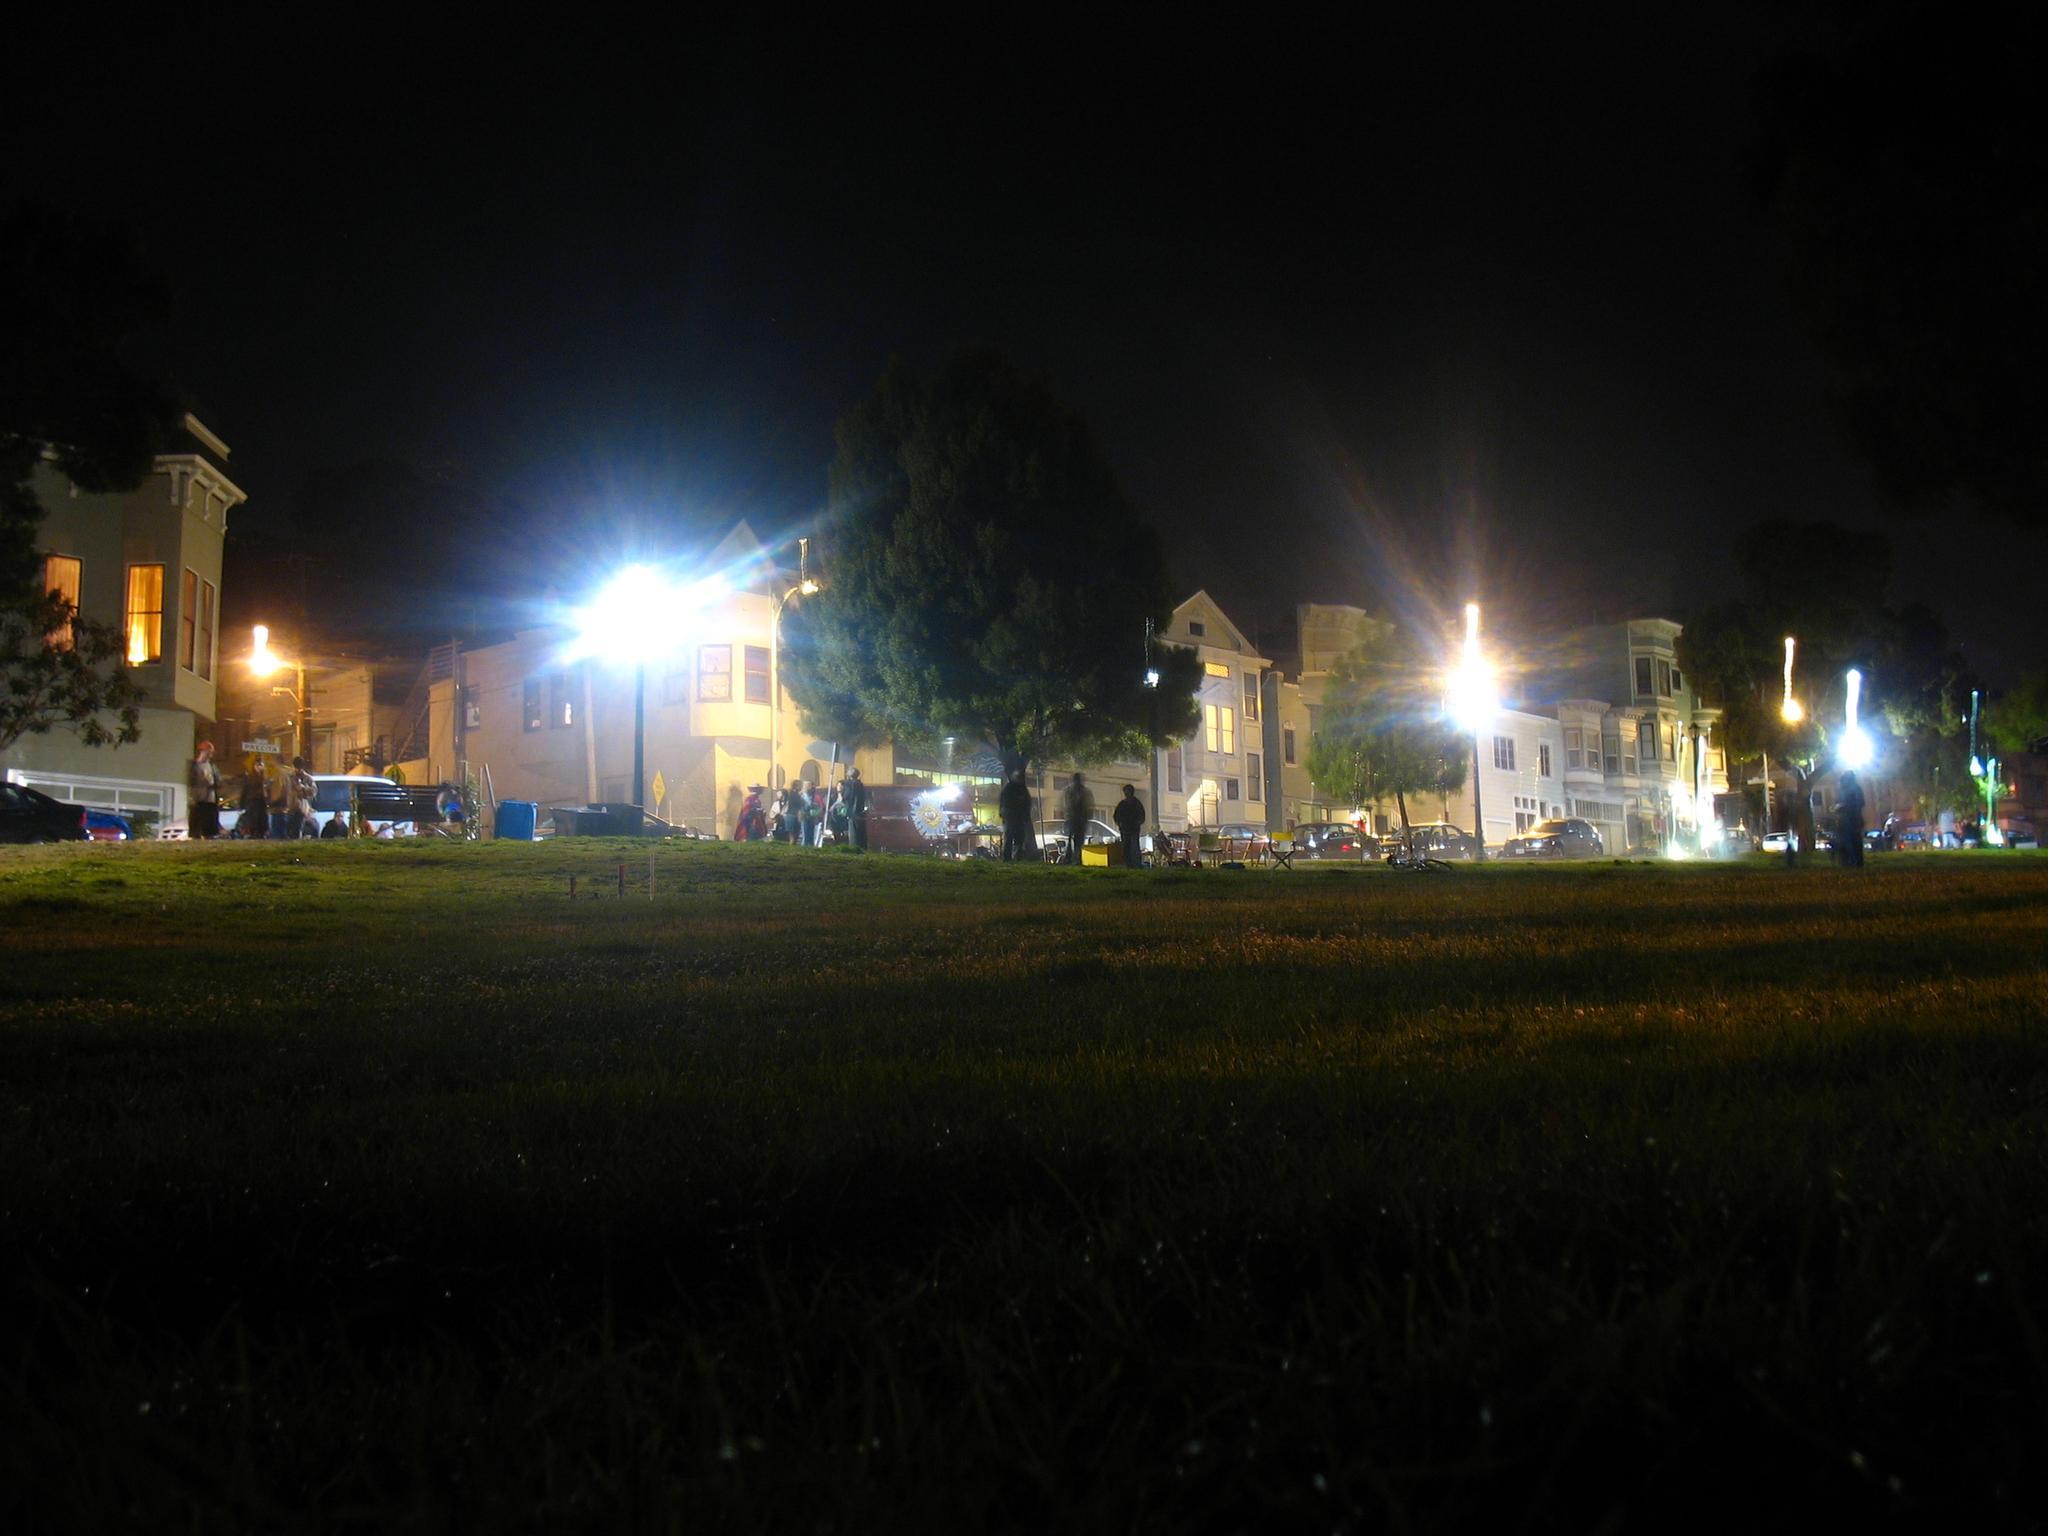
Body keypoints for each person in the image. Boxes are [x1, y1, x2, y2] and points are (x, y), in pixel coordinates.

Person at [998, 768, 1035, 863]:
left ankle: (1015, 858)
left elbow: (1027, 802)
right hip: (1012, 817)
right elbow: (1005, 803)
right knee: (1010, 838)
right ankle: (1009, 858)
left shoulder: (1019, 789)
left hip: (1017, 817)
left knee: (1018, 838)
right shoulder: (1010, 789)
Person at [188, 741, 222, 840]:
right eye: (209, 752)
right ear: (203, 751)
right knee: (197, 823)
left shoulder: (212, 766)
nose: (211, 755)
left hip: (210, 800)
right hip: (199, 799)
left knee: (210, 825)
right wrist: (193, 797)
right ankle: (197, 837)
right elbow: (191, 783)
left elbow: (218, 780)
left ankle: (209, 836)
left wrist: (216, 785)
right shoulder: (194, 766)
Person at [1060, 772, 1093, 865]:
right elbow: (1064, 805)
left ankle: (1077, 859)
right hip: (1072, 818)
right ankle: (1069, 858)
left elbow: (1089, 805)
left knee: (1078, 840)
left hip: (1080, 819)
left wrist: (1086, 817)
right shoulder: (1068, 791)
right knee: (1069, 839)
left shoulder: (1084, 792)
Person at [1834, 771, 1866, 868]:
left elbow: (1859, 803)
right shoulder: (1847, 789)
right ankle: (1852, 862)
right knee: (1851, 841)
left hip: (1851, 818)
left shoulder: (1853, 789)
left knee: (1851, 841)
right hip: (1848, 819)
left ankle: (1853, 862)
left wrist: (1842, 806)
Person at [1113, 783, 1146, 868]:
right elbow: (1116, 816)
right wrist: (1120, 823)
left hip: (1132, 829)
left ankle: (1135, 864)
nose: (1126, 793)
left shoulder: (1135, 804)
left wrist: (1137, 823)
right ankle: (1129, 864)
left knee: (1133, 847)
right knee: (1127, 847)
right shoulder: (1123, 804)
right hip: (1126, 829)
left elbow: (1141, 816)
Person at [285, 756, 317, 839]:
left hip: (301, 808)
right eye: (296, 768)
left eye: (299, 768)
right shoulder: (289, 777)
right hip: (290, 807)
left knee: (297, 829)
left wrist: (303, 787)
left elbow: (314, 792)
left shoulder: (308, 778)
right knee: (288, 830)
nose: (298, 770)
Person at [238, 760, 271, 839]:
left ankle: (261, 834)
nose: (259, 767)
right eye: (257, 765)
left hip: (262, 803)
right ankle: (253, 834)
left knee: (262, 821)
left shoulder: (265, 778)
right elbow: (245, 791)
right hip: (252, 803)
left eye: (261, 765)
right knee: (253, 822)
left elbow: (268, 791)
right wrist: (242, 804)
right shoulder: (250, 777)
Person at [843, 767, 871, 851]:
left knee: (853, 835)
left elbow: (847, 797)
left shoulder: (849, 784)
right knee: (860, 834)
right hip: (860, 812)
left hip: (852, 813)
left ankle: (854, 850)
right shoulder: (860, 784)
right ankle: (862, 849)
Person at [798, 781, 823, 847]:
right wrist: (813, 805)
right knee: (806, 835)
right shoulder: (802, 795)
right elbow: (806, 805)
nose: (813, 788)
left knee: (811, 835)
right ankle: (804, 848)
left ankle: (810, 847)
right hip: (804, 816)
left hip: (811, 816)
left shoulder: (812, 795)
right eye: (811, 786)